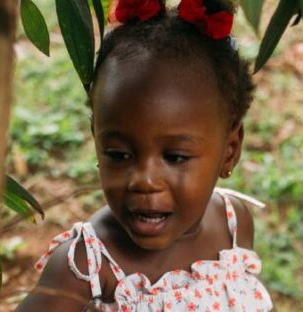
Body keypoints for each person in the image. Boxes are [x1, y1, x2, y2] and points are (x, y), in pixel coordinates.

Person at [16, 0, 272, 310]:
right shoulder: (87, 267)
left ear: (229, 152)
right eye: (119, 154)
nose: (145, 180)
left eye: (175, 157)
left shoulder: (234, 225)